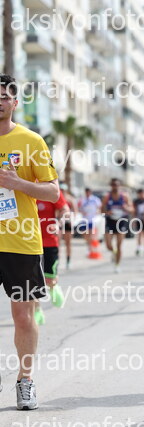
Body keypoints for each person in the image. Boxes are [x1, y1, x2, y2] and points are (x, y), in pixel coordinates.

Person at [0, 74, 59, 409]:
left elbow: (52, 192)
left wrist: (18, 183)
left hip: (20, 242)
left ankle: (25, 380)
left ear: (15, 102)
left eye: (4, 96)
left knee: (23, 316)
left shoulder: (31, 141)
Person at [35, 190, 70, 324]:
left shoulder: (49, 188)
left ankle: (53, 287)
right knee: (32, 280)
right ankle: (37, 310)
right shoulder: (21, 187)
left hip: (49, 241)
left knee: (49, 278)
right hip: (29, 243)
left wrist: (58, 223)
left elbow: (65, 210)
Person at [102, 178, 132, 273]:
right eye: (113, 185)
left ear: (120, 186)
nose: (115, 187)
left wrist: (126, 208)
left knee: (119, 245)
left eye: (117, 185)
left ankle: (117, 265)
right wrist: (107, 212)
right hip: (110, 221)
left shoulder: (125, 196)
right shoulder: (107, 197)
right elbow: (102, 210)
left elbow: (132, 209)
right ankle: (113, 252)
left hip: (121, 222)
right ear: (111, 186)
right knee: (108, 245)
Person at [76, 187, 101, 254]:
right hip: (84, 220)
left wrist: (98, 211)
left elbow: (99, 207)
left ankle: (91, 249)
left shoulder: (95, 199)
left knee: (91, 235)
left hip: (92, 219)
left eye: (89, 192)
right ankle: (90, 246)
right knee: (85, 235)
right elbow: (78, 208)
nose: (88, 193)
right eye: (86, 192)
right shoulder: (82, 200)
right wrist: (82, 212)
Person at [59, 182, 77, 269]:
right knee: (57, 242)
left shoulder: (70, 199)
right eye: (61, 189)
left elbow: (75, 211)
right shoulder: (57, 198)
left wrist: (72, 220)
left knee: (68, 242)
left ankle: (68, 260)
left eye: (63, 190)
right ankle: (57, 260)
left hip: (68, 222)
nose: (62, 191)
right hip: (59, 222)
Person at [133, 188, 144, 256]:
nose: (141, 195)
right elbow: (134, 210)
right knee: (139, 234)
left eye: (142, 193)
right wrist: (134, 220)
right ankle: (139, 247)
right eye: (140, 194)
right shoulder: (136, 201)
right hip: (139, 219)